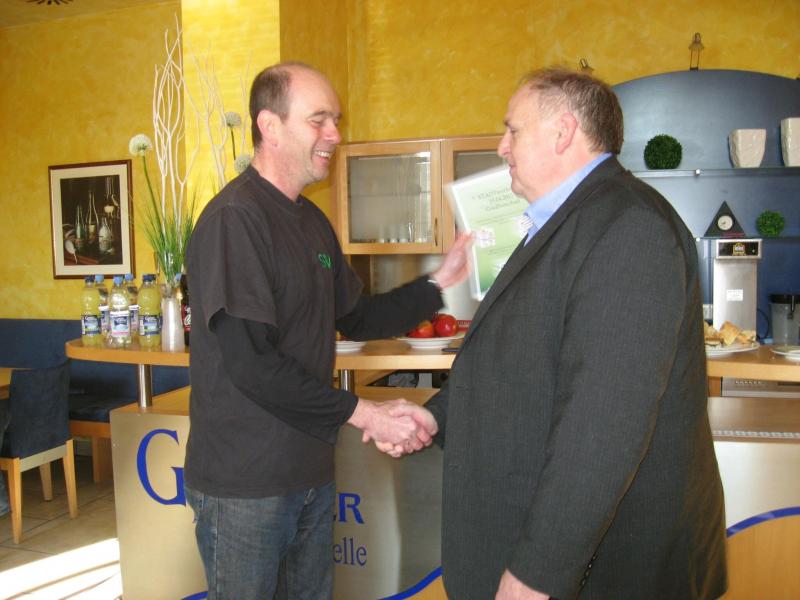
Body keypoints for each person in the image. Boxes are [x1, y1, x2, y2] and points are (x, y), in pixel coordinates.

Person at [385, 67, 728, 599]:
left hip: (609, 568)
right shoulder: (568, 220)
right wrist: (435, 416)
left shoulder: (628, 228)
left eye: (512, 130)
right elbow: (517, 359)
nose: (501, 146)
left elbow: (604, 421)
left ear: (563, 132)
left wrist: (540, 571)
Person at [183, 61, 469, 600]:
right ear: (270, 126)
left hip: (310, 471)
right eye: (319, 120)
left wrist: (440, 282)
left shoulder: (311, 221)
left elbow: (359, 317)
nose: (335, 134)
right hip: (246, 485)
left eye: (335, 120)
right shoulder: (235, 220)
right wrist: (365, 413)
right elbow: (252, 364)